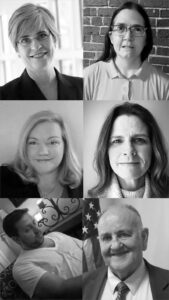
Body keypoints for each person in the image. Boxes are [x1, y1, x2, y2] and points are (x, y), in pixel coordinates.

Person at [84, 1, 169, 100]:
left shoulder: (164, 85)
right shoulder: (89, 77)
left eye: (137, 29)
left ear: (146, 38)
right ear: (111, 37)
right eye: (120, 28)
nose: (128, 37)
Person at [83, 203, 169, 300]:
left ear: (144, 238)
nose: (115, 246)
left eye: (123, 235)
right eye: (106, 238)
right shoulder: (84, 285)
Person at [0, 3, 83, 100]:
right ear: (16, 49)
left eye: (42, 35)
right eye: (25, 40)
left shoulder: (84, 87)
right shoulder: (3, 97)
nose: (36, 46)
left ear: (54, 39)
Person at [88, 102, 169, 198]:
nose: (129, 151)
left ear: (153, 148)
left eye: (139, 140)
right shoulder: (91, 198)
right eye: (117, 141)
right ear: (105, 150)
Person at [0, 110, 83, 199]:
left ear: (65, 146)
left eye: (53, 142)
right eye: (33, 143)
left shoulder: (82, 181)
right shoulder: (3, 178)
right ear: (24, 147)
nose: (43, 152)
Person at [2, 208, 82, 299]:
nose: (37, 230)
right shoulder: (22, 267)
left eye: (34, 223)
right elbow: (62, 289)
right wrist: (98, 274)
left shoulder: (55, 235)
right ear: (16, 239)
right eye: (28, 229)